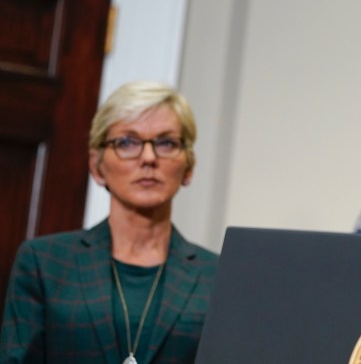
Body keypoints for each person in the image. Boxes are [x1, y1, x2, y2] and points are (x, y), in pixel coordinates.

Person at [0, 81, 218, 363]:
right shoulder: (45, 263)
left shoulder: (219, 275)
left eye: (166, 143)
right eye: (127, 142)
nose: (149, 158)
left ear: (188, 167)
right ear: (97, 165)